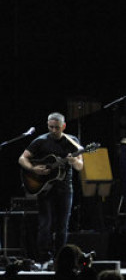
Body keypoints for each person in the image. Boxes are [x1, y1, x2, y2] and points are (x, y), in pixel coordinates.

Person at [18, 112, 84, 265]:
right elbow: (22, 158)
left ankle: (60, 258)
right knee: (45, 223)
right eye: (51, 127)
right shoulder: (40, 141)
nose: (53, 130)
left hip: (65, 187)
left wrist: (73, 160)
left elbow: (80, 167)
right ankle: (43, 258)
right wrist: (34, 170)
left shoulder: (72, 141)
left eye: (57, 128)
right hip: (45, 189)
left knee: (62, 224)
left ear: (64, 126)